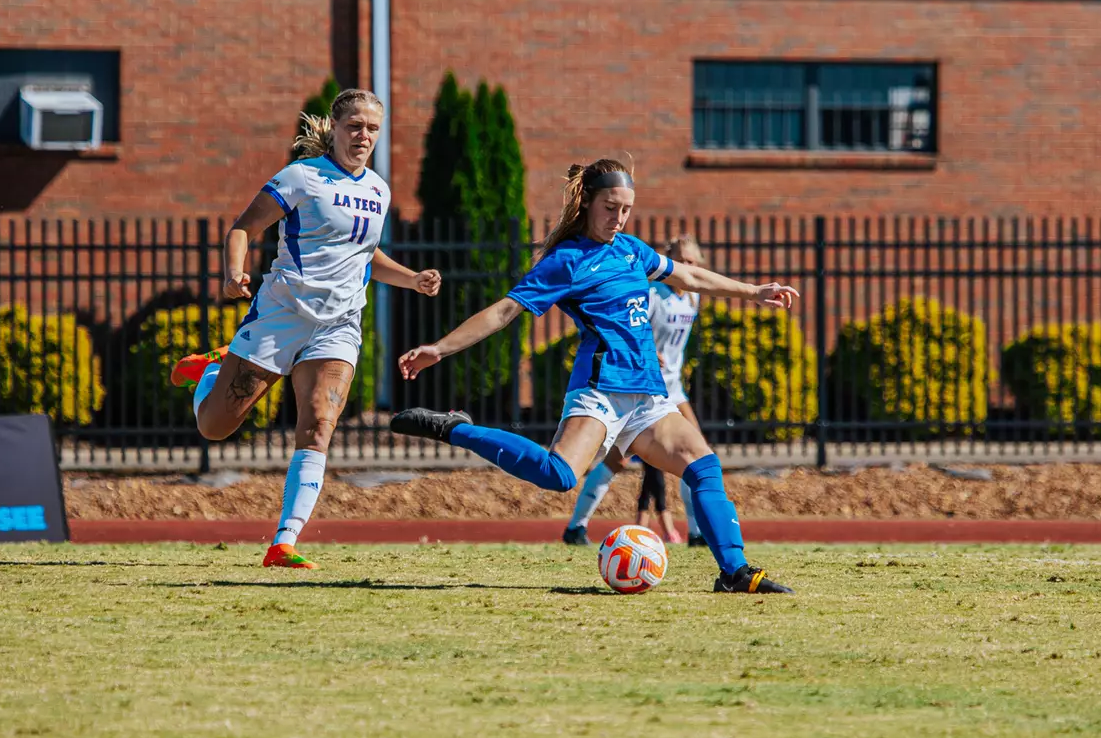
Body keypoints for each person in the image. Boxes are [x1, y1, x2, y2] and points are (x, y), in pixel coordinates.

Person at [389, 158, 797, 594]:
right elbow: (505, 311)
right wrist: (439, 347)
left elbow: (690, 274)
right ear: (586, 203)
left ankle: (735, 572)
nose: (618, 218)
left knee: (704, 467)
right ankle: (458, 429)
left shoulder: (631, 249)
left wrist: (753, 291)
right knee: (559, 475)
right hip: (601, 390)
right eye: (610, 207)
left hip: (647, 396)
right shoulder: (566, 261)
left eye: (626, 209)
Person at [171, 89, 440, 569]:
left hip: (338, 324)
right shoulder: (302, 176)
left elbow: (363, 255)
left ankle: (284, 543)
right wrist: (234, 274)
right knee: (214, 427)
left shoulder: (378, 190)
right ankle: (212, 372)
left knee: (318, 424)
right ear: (335, 128)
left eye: (372, 128)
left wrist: (411, 279)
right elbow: (242, 228)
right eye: (354, 125)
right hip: (281, 315)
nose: (363, 135)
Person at [563, 236, 707, 550]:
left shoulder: (692, 299)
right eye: (683, 260)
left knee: (697, 456)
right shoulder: (654, 294)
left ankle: (697, 533)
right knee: (614, 460)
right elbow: (629, 327)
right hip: (643, 387)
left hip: (673, 389)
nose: (689, 267)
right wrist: (645, 352)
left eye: (694, 262)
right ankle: (576, 527)